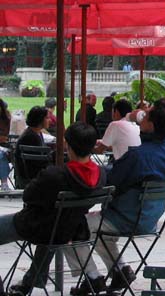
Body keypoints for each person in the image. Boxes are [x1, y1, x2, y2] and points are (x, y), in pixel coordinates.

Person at [65, 100, 165, 295]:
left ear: (151, 125)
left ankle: (92, 278)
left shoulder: (139, 156)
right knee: (100, 233)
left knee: (68, 227)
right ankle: (120, 270)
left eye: (146, 116)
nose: (141, 118)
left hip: (125, 217)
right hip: (149, 218)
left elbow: (112, 180)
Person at [0, 122, 106, 296]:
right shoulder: (101, 175)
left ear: (68, 146)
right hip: (69, 227)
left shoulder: (55, 175)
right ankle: (31, 281)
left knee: (49, 227)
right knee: (53, 226)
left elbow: (28, 195)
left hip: (34, 225)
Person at [14, 106, 55, 186]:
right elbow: (38, 162)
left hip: (32, 175)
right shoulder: (31, 137)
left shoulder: (35, 133)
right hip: (31, 178)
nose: (49, 120)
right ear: (40, 120)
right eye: (47, 118)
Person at [0, 97, 11, 190]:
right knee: (1, 155)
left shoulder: (6, 117)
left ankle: (4, 183)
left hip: (5, 145)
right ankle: (4, 183)